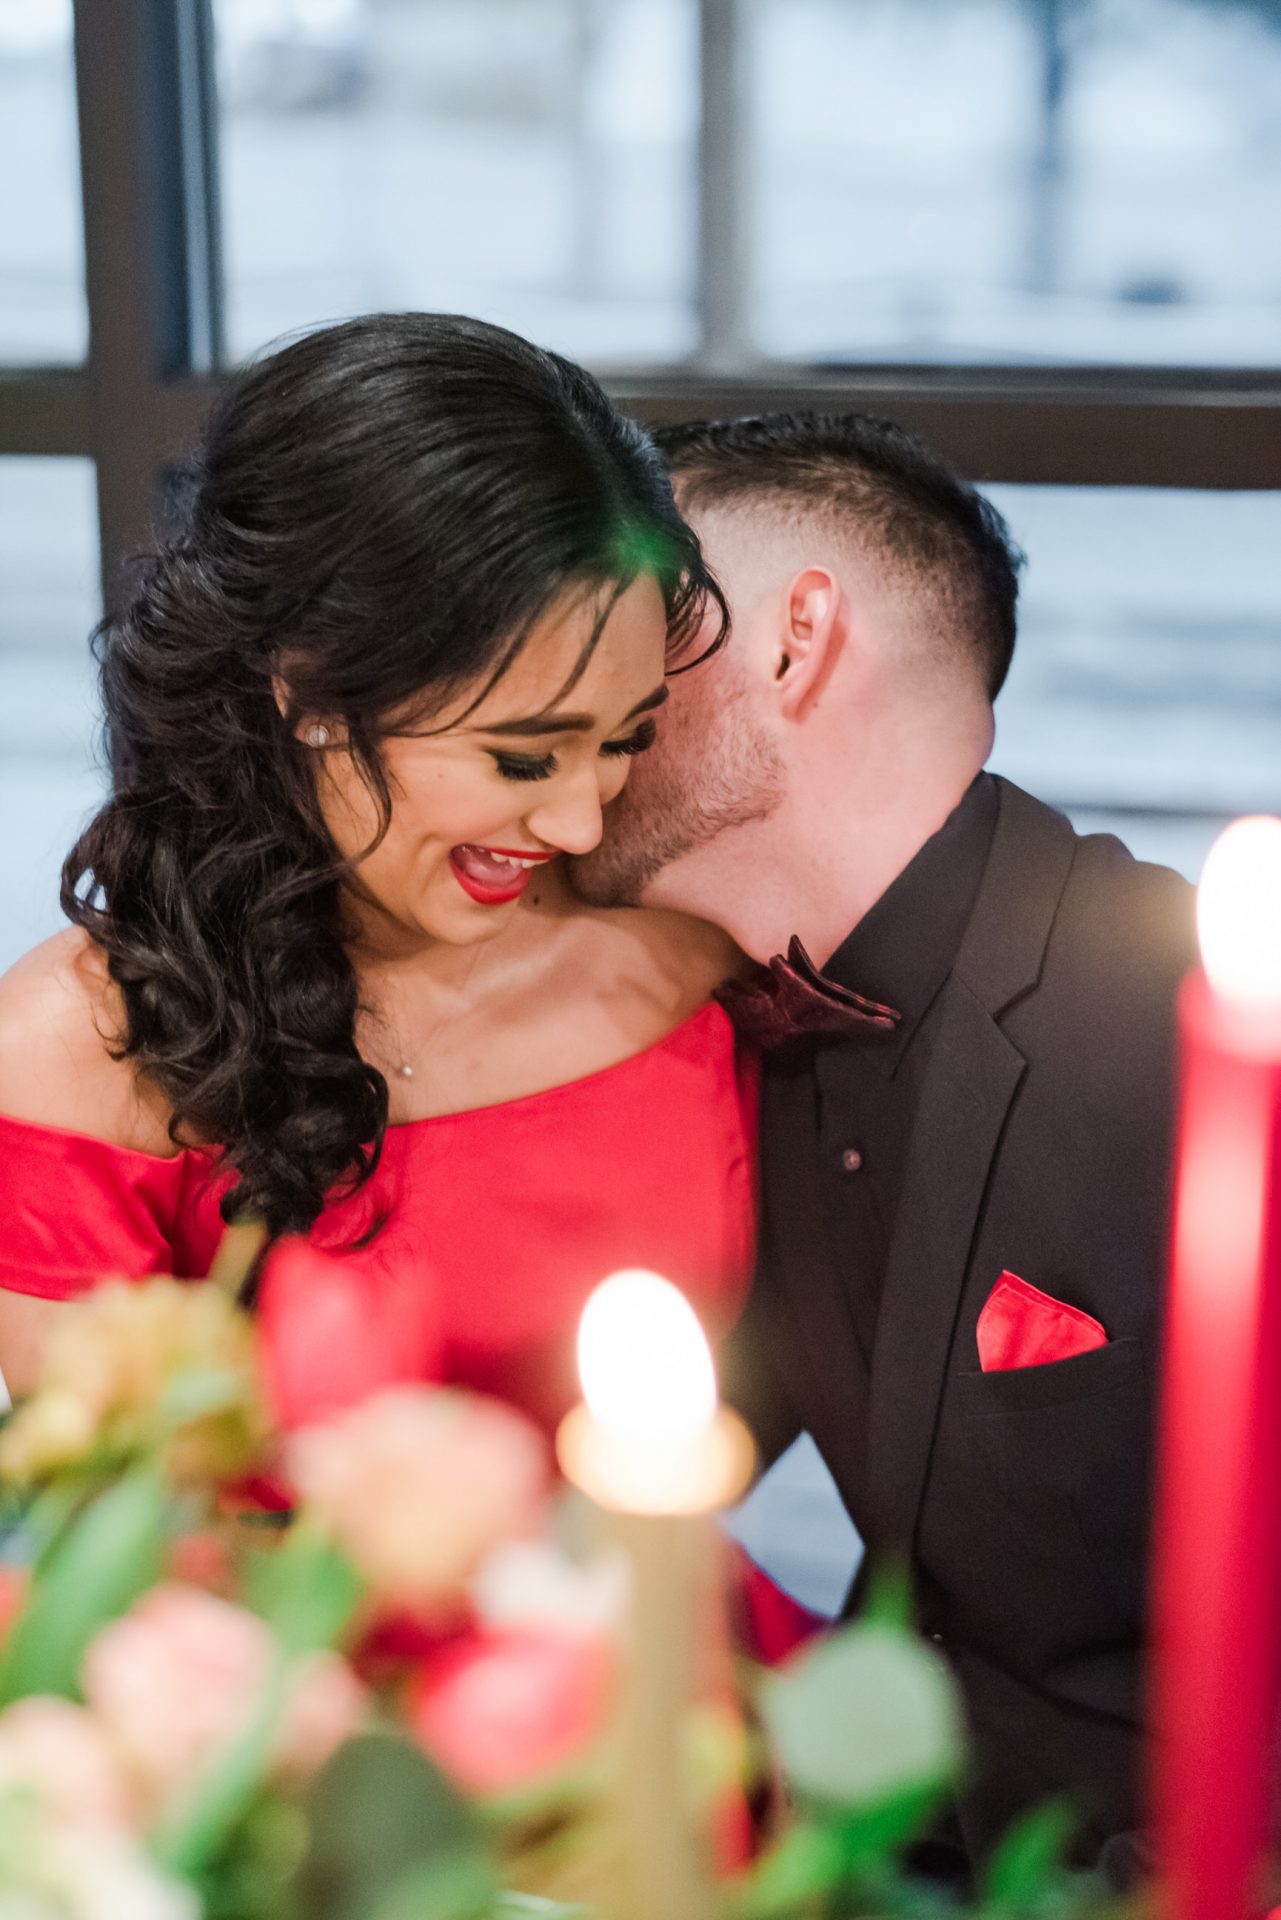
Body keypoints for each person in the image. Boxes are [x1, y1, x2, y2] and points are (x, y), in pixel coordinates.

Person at [573, 411, 1198, 1883]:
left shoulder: (1191, 1026)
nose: (575, 689)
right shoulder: (713, 1025)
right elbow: (666, 1432)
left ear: (796, 641)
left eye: (634, 625)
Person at [0, 313, 757, 1435]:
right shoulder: (71, 1056)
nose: (580, 825)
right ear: (306, 687)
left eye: (623, 739)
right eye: (521, 757)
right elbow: (113, 1512)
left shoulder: (682, 946)